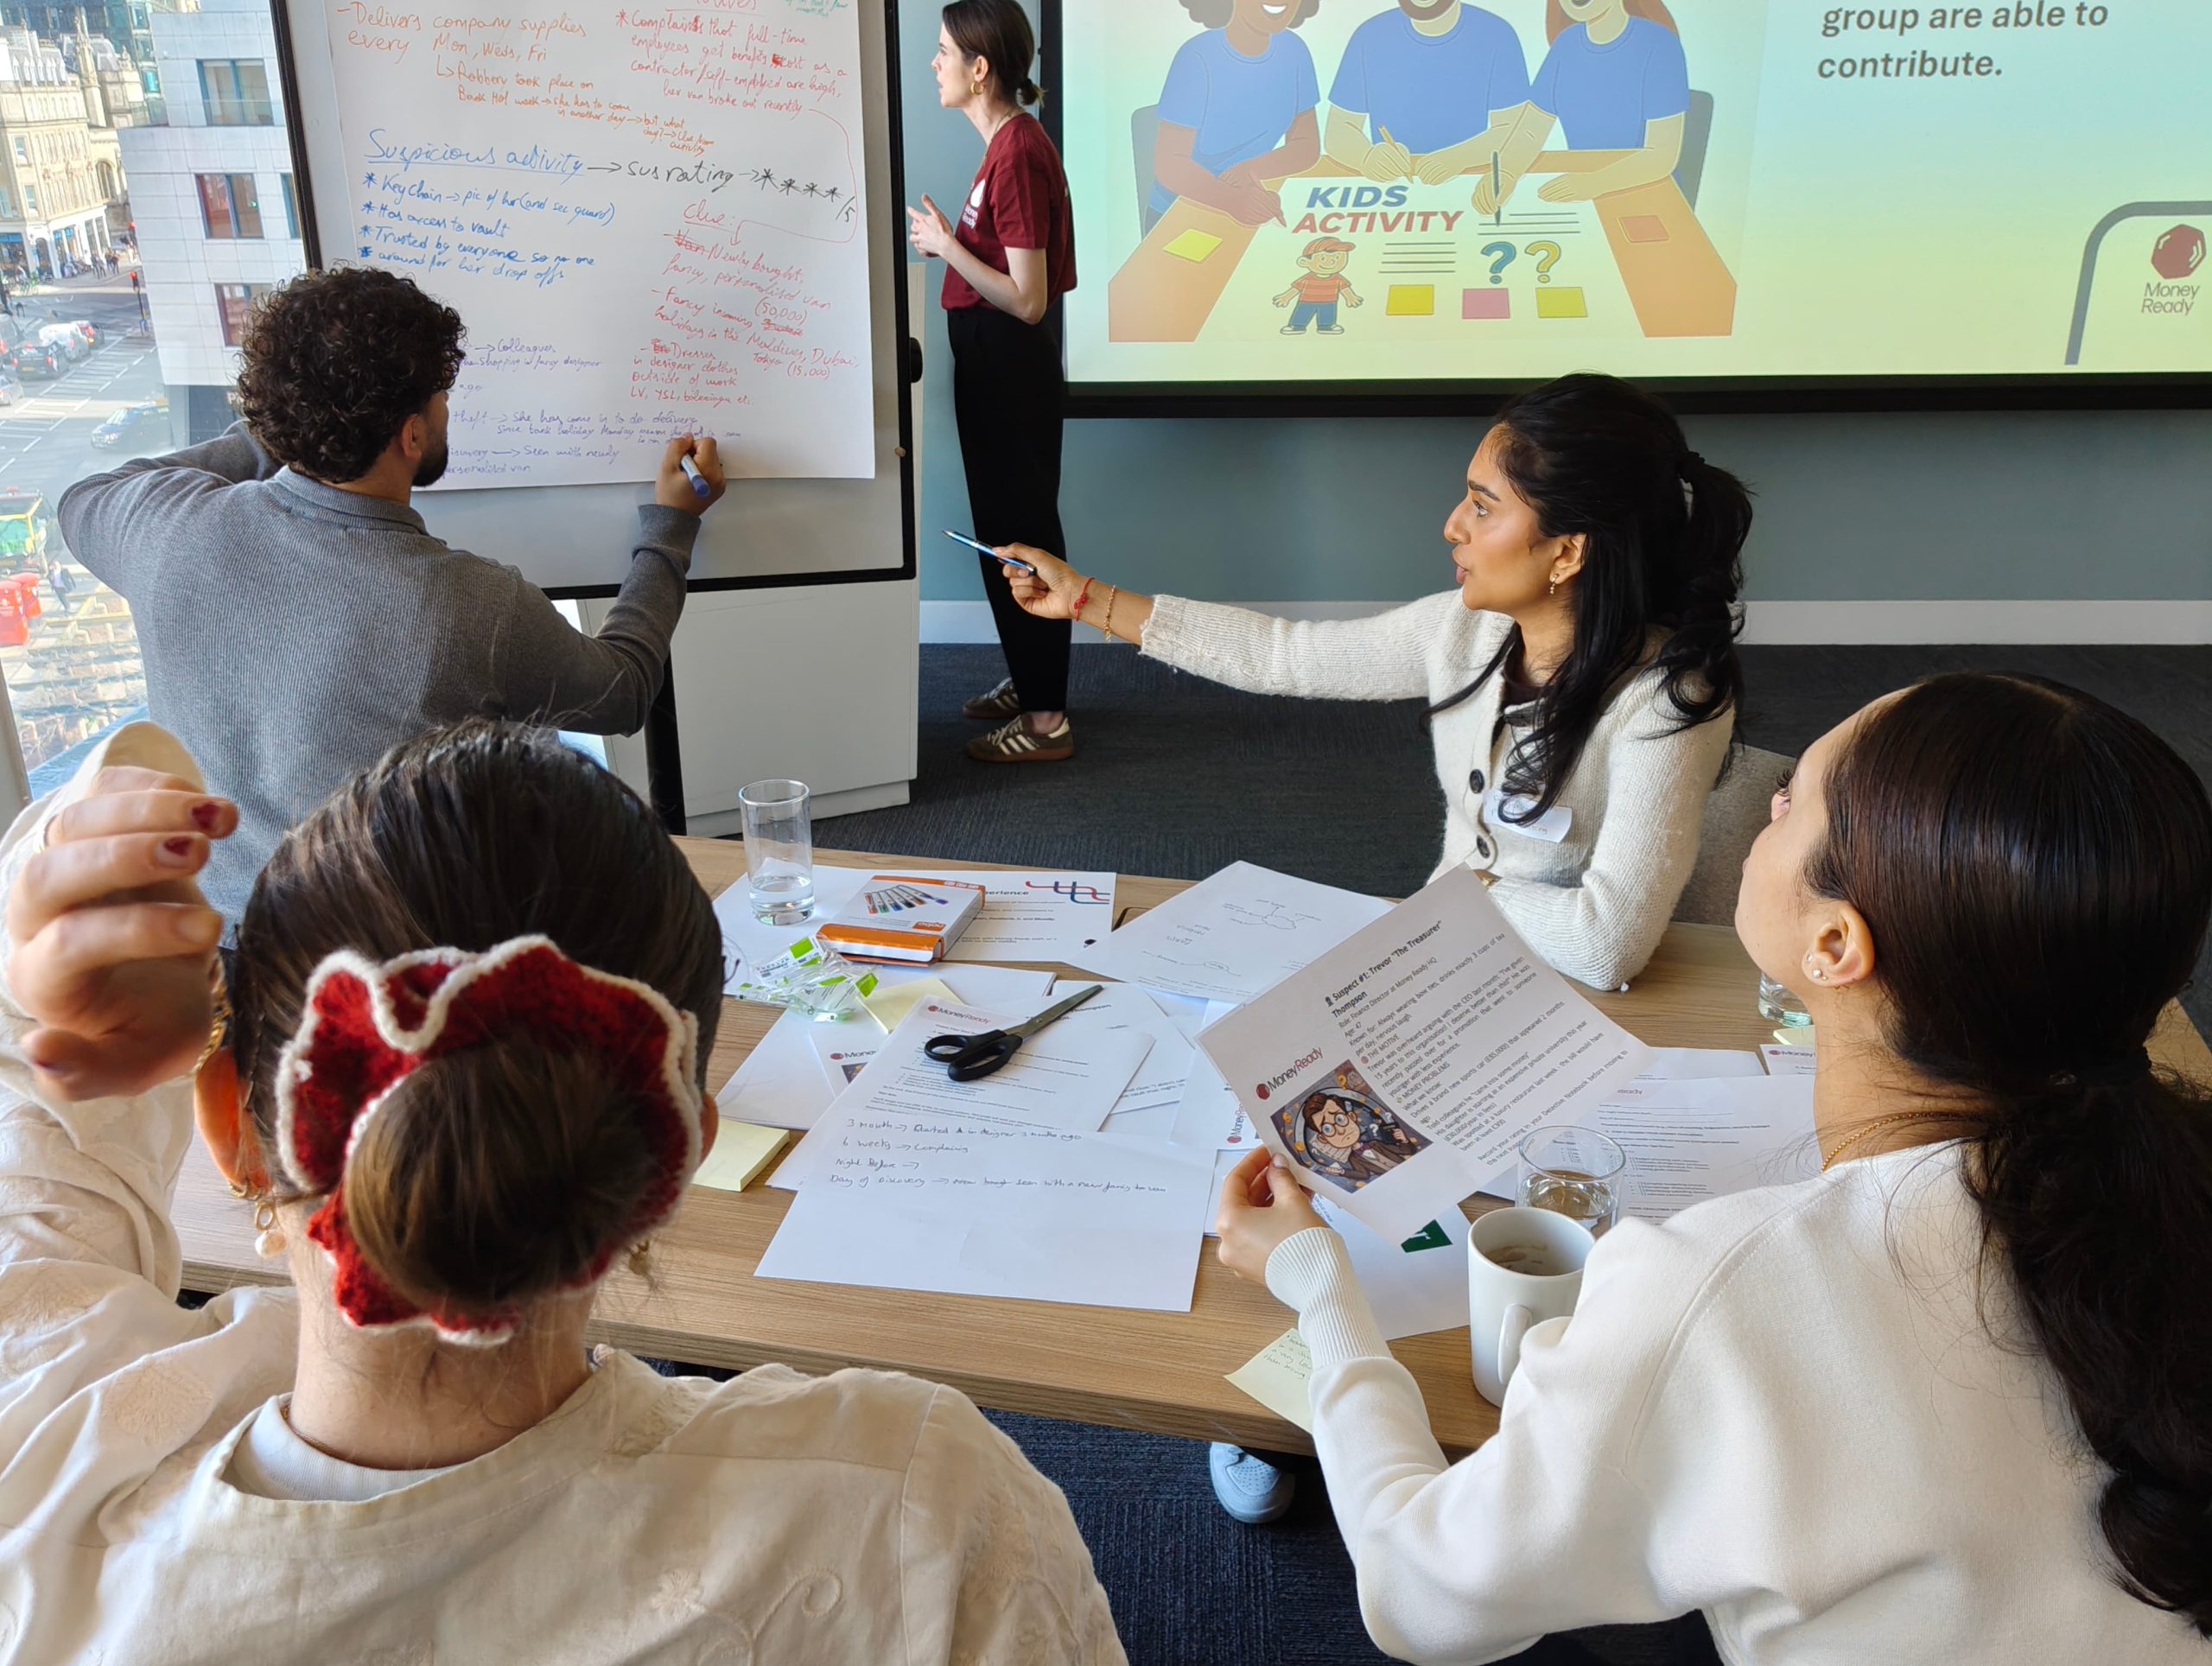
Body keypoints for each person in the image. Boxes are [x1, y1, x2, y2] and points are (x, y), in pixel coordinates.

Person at [0, 719, 1126, 1662]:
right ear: (672, 1160)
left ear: (231, 1137)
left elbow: (35, 1055)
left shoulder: (43, 1478)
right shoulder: (914, 1507)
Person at [1217, 673, 2212, 1663]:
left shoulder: (1716, 1288)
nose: (1764, 804)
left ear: (1834, 942)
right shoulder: (2175, 1174)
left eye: (1791, 800)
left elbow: (1419, 1593)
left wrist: (1316, 1279)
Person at [1001, 372, 1746, 992]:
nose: (1452, 526)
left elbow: (1604, 947)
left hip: (1573, 1003)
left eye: (1483, 507)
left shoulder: (1667, 700)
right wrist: (1083, 600)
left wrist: (1464, 893)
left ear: (1567, 553)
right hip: (1447, 958)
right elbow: (1280, 655)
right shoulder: (1465, 628)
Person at [56, 266, 726, 920]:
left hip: (206, 962)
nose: (444, 410)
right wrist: (672, 526)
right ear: (410, 434)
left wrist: (296, 420)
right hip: (384, 974)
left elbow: (81, 497)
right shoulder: (470, 604)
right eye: (439, 397)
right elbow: (625, 690)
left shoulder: (161, 527)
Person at [908, 0, 1083, 764]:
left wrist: (946, 246)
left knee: (1020, 536)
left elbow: (1026, 297)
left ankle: (1048, 721)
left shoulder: (1015, 151)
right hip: (996, 367)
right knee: (1006, 531)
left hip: (1009, 369)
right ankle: (1032, 676)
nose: (936, 64)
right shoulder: (1007, 143)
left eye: (945, 52)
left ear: (982, 69)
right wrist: (952, 244)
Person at [1478, 0, 1688, 213]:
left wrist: (1595, 183)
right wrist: (1506, 172)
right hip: (1582, 197)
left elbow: (1662, 155)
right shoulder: (1566, 45)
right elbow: (1531, 132)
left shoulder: (1660, 44)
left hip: (1646, 193)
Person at [1148, 0, 1325, 229]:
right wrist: (1230, 198)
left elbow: (1306, 146)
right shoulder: (1196, 57)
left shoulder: (1294, 49)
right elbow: (1170, 164)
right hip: (1181, 211)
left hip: (1249, 204)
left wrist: (1250, 173)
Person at [1321, 0, 1532, 187]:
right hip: (1393, 192)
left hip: (1472, 187)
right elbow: (1339, 129)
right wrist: (1365, 157)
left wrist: (1459, 158)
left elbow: (1516, 130)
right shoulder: (1369, 35)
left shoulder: (1496, 33)